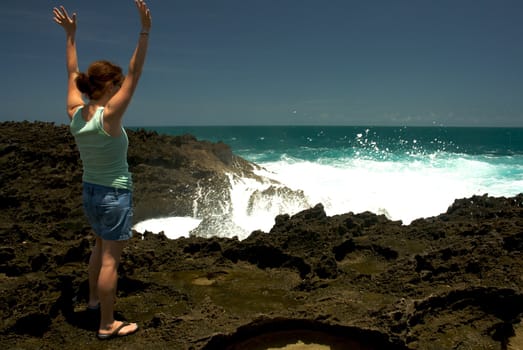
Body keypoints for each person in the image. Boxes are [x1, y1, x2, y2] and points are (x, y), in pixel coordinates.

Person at [53, 0, 151, 340]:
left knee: (98, 247)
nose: (120, 87)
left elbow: (70, 72)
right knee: (111, 260)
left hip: (91, 192)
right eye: (117, 84)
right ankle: (107, 324)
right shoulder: (108, 119)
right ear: (108, 87)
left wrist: (70, 36)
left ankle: (94, 300)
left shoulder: (75, 114)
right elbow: (136, 72)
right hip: (113, 194)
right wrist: (144, 30)